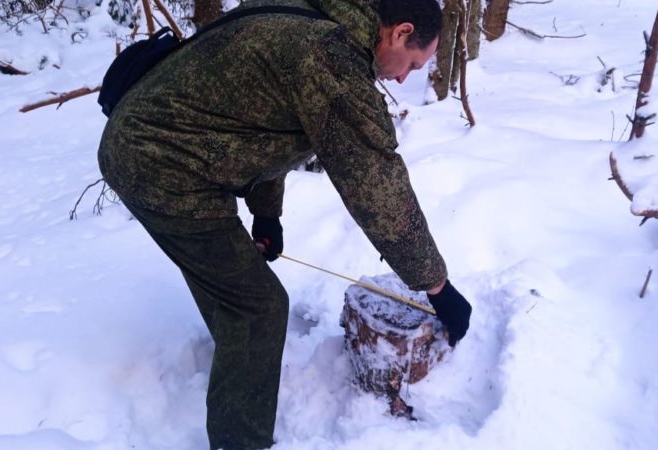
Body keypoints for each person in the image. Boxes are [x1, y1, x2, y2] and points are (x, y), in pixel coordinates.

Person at [98, 0, 472, 448]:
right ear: (399, 31)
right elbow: (376, 186)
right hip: (158, 166)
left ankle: (241, 365)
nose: (403, 78)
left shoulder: (316, 21)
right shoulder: (330, 61)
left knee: (241, 296)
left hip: (163, 150)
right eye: (413, 62)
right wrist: (437, 286)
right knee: (258, 307)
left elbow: (259, 122)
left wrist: (266, 213)